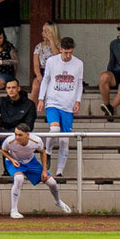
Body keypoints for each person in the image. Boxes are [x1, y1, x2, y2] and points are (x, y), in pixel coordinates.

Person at [1, 122, 71, 219]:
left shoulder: (36, 140)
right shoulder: (9, 140)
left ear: (27, 134)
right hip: (14, 161)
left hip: (30, 161)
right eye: (16, 134)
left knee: (52, 183)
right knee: (19, 178)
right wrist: (12, 160)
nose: (17, 137)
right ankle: (13, 210)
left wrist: (44, 170)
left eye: (20, 135)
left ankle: (58, 201)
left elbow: (43, 152)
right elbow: (3, 151)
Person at [38, 35, 85, 170]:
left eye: (70, 52)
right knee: (54, 129)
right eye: (65, 52)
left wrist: (78, 101)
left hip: (68, 104)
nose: (68, 55)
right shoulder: (52, 61)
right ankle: (47, 151)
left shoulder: (78, 64)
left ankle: (59, 171)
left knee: (64, 139)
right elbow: (46, 79)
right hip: (53, 101)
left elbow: (79, 83)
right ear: (60, 49)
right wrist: (41, 98)